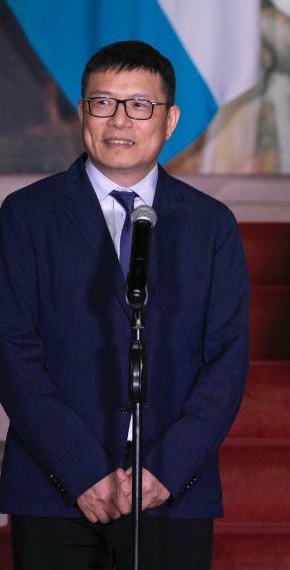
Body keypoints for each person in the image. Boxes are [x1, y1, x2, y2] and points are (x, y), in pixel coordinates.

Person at [0, 41, 249, 569]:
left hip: (171, 487)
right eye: (103, 102)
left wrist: (164, 469)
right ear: (82, 111)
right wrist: (80, 469)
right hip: (55, 487)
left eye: (139, 105)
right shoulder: (25, 216)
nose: (120, 120)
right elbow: (11, 350)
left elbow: (226, 360)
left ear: (170, 119)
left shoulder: (211, 226)